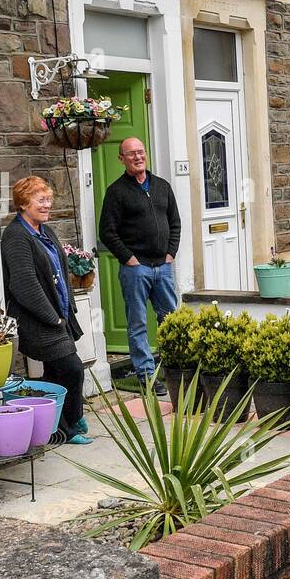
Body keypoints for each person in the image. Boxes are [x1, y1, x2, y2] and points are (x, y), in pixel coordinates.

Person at [0, 176, 93, 445]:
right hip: (37, 321)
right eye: (41, 200)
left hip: (58, 316)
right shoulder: (16, 236)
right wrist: (53, 318)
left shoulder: (44, 230)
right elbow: (24, 284)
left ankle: (56, 429)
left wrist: (69, 308)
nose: (47, 204)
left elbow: (61, 271)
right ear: (23, 203)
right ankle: (72, 422)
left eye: (48, 199)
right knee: (72, 368)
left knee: (55, 374)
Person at [98, 136, 181, 397]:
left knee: (170, 320)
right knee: (137, 324)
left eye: (141, 152)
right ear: (121, 159)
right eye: (131, 153)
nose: (137, 157)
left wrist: (170, 254)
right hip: (136, 269)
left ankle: (173, 369)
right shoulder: (116, 192)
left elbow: (175, 223)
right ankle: (146, 375)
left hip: (163, 267)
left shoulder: (162, 186)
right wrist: (129, 259)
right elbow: (107, 232)